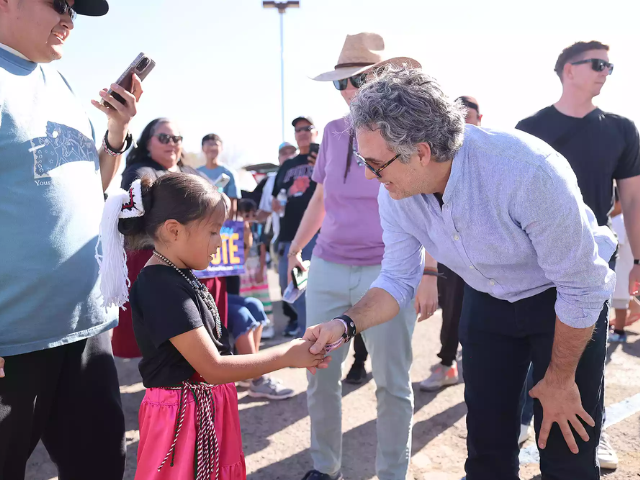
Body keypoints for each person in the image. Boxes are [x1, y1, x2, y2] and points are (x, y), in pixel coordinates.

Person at [304, 66, 619, 480]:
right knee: (486, 451)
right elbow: (397, 279)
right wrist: (345, 324)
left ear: (420, 152)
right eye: (364, 161)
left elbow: (581, 286)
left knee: (565, 450)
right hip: (488, 295)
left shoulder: (525, 171)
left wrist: (559, 379)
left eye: (376, 164)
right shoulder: (396, 190)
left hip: (564, 296)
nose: (369, 175)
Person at [95, 172, 331, 480]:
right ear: (174, 230)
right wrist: (288, 355)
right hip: (183, 420)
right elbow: (213, 367)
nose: (221, 241)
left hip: (201, 411)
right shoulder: (160, 286)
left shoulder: (177, 272)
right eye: (213, 231)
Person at [0, 1, 141, 478]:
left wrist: (116, 132)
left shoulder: (56, 81)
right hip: (13, 341)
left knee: (100, 466)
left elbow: (89, 187)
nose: (69, 18)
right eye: (58, 2)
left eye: (75, 10)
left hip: (84, 327)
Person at [289, 33, 427, 480]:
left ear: (383, 79)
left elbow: (426, 203)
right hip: (327, 265)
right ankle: (324, 469)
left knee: (392, 384)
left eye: (357, 80)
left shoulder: (410, 134)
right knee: (318, 376)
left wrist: (427, 269)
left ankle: (393, 474)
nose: (348, 91)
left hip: (389, 272)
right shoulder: (331, 133)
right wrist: (296, 245)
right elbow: (322, 197)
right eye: (340, 84)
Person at [516, 40, 640, 469]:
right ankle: (524, 418)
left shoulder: (621, 129)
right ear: (569, 70)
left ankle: (594, 430)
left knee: (587, 352)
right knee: (536, 344)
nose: (607, 71)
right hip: (535, 259)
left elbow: (633, 199)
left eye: (610, 65)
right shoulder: (529, 128)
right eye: (599, 64)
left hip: (593, 257)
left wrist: (638, 262)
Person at [112, 118, 228, 358]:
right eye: (164, 138)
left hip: (199, 262)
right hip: (156, 261)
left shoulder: (189, 172)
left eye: (177, 138)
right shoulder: (139, 172)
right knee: (171, 334)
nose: (172, 144)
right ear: (147, 143)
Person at [418, 95, 481, 392]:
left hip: (490, 259)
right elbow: (431, 221)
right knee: (453, 312)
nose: (464, 120)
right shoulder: (440, 163)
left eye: (469, 115)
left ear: (480, 119)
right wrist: (429, 272)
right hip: (453, 257)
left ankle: (476, 369)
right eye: (458, 115)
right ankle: (447, 364)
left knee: (487, 318)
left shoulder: (492, 160)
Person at [272, 116, 320, 337]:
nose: (302, 132)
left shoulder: (323, 154)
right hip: (289, 234)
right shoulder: (288, 165)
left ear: (315, 132)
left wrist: (321, 164)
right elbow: (277, 196)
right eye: (298, 129)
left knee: (301, 286)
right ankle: (307, 327)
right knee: (286, 285)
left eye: (307, 128)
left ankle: (306, 334)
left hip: (315, 233)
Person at [199, 133, 241, 219]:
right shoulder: (195, 173)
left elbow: (232, 204)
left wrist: (228, 225)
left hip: (221, 222)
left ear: (221, 148)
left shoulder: (229, 173)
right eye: (209, 144)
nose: (212, 147)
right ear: (203, 148)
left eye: (215, 144)